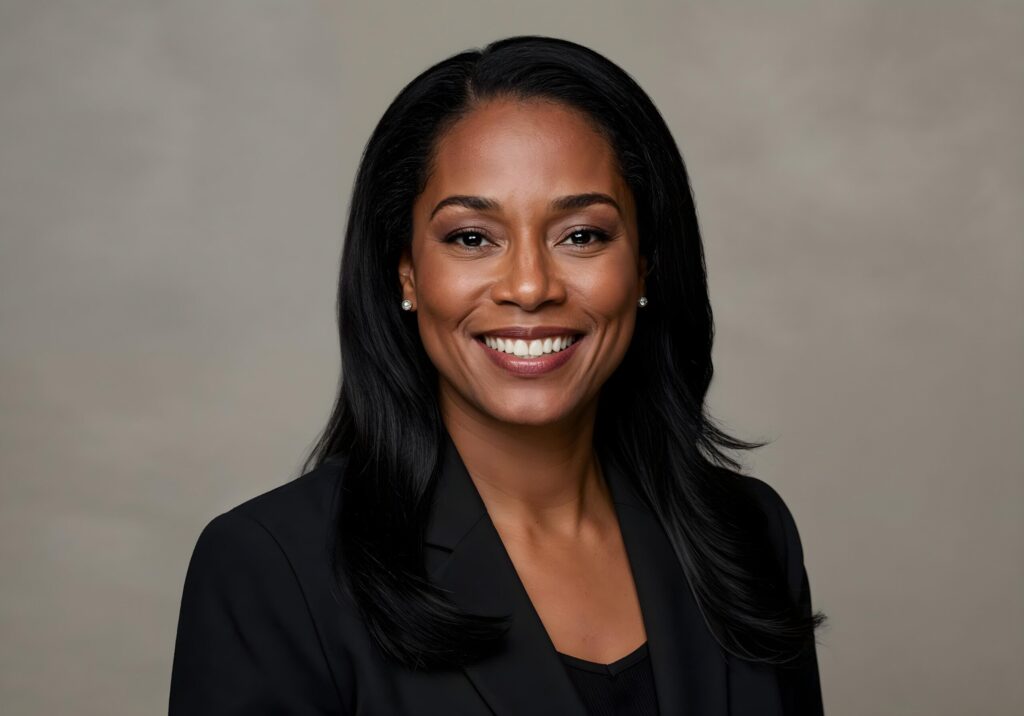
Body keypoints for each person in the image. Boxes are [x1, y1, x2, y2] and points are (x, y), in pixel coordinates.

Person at [169, 35, 826, 715]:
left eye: (581, 235)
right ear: (407, 273)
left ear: (646, 267)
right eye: (472, 238)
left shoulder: (748, 536)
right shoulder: (271, 570)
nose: (531, 285)